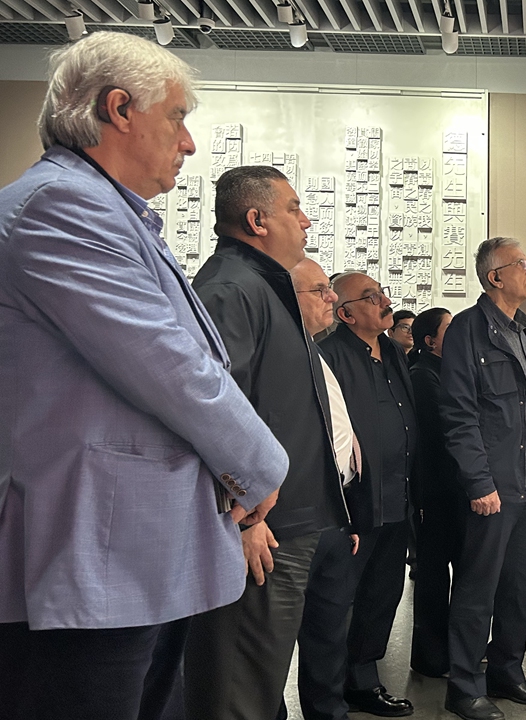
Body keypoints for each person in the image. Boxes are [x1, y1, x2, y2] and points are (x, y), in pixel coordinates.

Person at [0, 32, 289, 720]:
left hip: (128, 557)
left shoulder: (106, 212)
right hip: (91, 564)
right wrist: (262, 468)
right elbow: (171, 366)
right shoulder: (59, 207)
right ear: (119, 108)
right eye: (178, 117)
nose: (188, 143)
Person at [186, 165, 350, 720]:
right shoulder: (232, 289)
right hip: (262, 530)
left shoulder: (264, 287)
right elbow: (210, 409)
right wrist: (246, 518)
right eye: (294, 209)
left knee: (259, 681)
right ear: (257, 220)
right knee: (240, 686)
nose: (306, 221)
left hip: (292, 522)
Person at [441, 237, 526, 720]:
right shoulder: (468, 330)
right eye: (523, 265)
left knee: (521, 585)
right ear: (495, 277)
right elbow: (459, 415)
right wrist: (479, 483)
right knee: (478, 588)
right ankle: (464, 686)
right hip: (494, 484)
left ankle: (506, 671)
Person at [314, 273, 418, 718]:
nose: (385, 302)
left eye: (383, 294)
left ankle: (364, 678)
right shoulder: (329, 356)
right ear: (346, 312)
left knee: (383, 593)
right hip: (356, 502)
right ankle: (329, 691)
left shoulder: (394, 351)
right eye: (373, 297)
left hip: (400, 495)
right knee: (340, 601)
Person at [288, 259, 370, 720]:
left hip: (334, 514)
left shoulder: (316, 352)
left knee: (329, 633)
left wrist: (349, 512)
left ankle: (328, 712)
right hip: (291, 518)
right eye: (319, 290)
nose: (331, 298)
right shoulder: (279, 353)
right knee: (275, 639)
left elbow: (340, 436)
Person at [408, 306, 467, 680]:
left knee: (466, 571)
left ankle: (458, 650)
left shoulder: (456, 371)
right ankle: (430, 657)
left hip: (462, 488)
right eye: (449, 329)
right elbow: (444, 430)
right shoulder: (422, 375)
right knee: (433, 576)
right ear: (430, 341)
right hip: (437, 490)